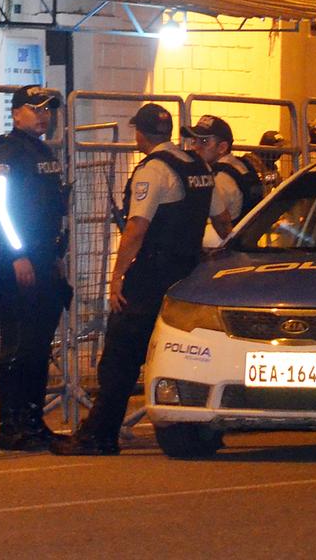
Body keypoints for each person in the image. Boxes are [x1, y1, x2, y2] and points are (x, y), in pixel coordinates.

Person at [53, 103, 210, 456]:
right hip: (188, 276)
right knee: (184, 354)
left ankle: (99, 435)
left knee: (119, 358)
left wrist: (118, 276)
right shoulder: (198, 166)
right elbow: (223, 217)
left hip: (152, 275)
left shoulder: (153, 170)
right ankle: (196, 430)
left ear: (140, 133)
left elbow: (137, 228)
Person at [0, 85, 71, 452]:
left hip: (43, 259)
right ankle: (11, 426)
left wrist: (55, 256)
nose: (43, 115)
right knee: (18, 346)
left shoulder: (41, 150)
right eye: (36, 109)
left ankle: (33, 421)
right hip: (18, 263)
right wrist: (16, 254)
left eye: (48, 109)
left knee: (37, 346)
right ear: (16, 113)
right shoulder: (8, 151)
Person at [184, 114, 256, 236]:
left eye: (204, 142)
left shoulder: (221, 179)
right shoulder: (240, 166)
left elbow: (205, 220)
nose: (195, 147)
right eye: (194, 141)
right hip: (246, 237)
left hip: (225, 241)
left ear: (222, 147)